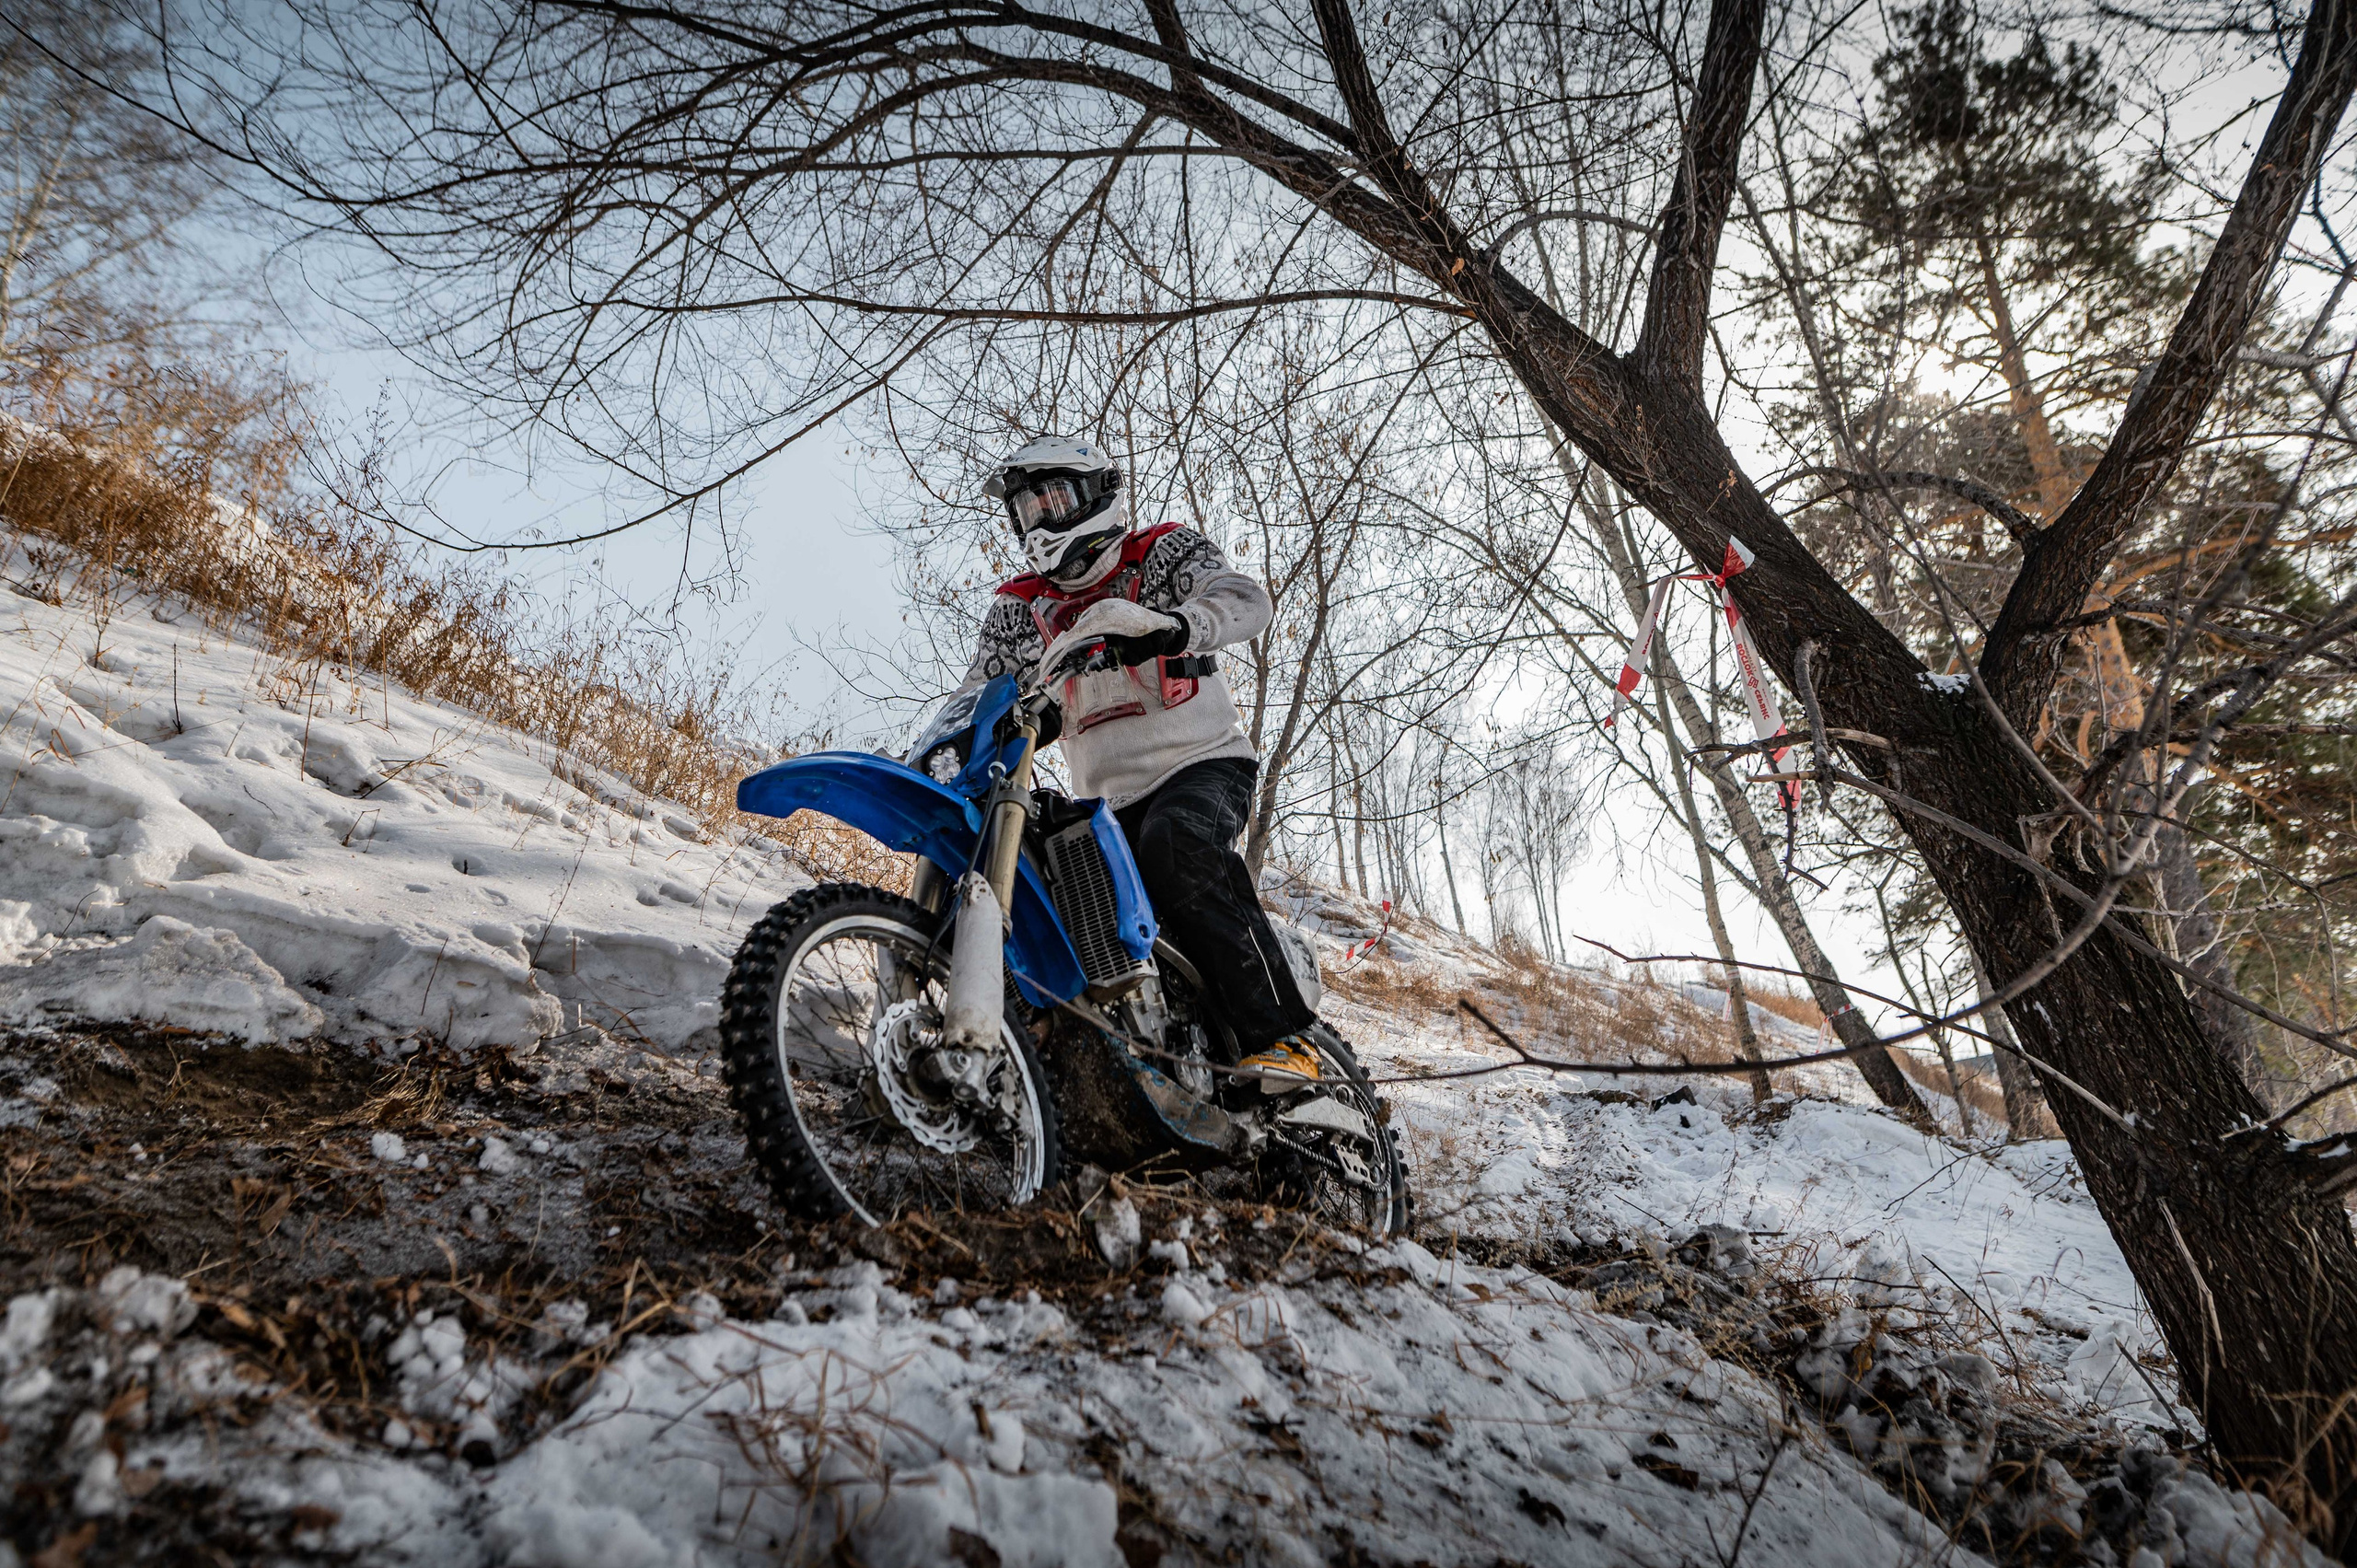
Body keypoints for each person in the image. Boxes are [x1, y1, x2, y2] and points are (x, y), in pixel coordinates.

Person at [954, 435, 1322, 1089]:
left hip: (1202, 764)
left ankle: (1284, 1038)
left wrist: (1176, 625)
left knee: (1176, 843)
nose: (1038, 523)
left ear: (1096, 493)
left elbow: (1245, 600)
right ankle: (1044, 1065)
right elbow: (974, 695)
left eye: (1052, 499)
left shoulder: (1160, 551)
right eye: (1024, 512)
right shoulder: (1019, 609)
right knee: (1042, 887)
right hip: (1105, 805)